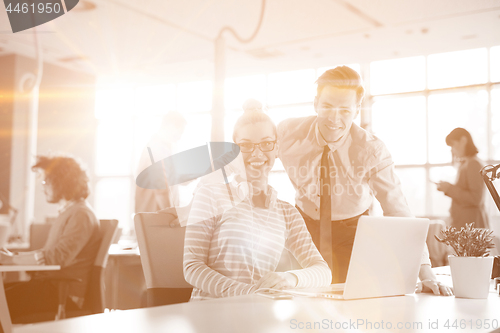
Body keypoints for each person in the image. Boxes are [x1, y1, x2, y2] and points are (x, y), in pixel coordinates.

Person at [277, 66, 452, 296]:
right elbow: (251, 156)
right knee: (299, 306)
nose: (334, 118)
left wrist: (426, 273)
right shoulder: (288, 133)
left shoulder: (372, 150)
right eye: (327, 106)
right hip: (303, 231)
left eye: (345, 110)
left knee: (354, 307)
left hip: (353, 236)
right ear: (316, 103)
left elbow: (398, 210)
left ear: (357, 109)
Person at [183, 100, 332, 300]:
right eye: (245, 145)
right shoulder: (210, 194)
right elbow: (192, 267)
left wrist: (290, 278)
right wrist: (248, 293)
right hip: (211, 314)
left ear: (276, 148)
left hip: (257, 315)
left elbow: (323, 272)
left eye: (266, 143)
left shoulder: (286, 212)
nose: (257, 153)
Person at [0, 154, 101, 322]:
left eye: (46, 181)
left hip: (63, 294)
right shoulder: (70, 212)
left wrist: (11, 260)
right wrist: (12, 258)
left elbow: (57, 258)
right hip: (52, 288)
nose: (43, 187)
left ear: (62, 182)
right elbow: (51, 256)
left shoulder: (81, 214)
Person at [436, 128, 489, 229]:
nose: (452, 150)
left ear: (463, 141)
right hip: (466, 226)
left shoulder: (473, 164)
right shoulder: (467, 164)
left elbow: (476, 198)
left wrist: (449, 188)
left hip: (472, 227)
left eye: (453, 145)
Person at [135, 111, 187, 213]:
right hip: (156, 215)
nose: (179, 138)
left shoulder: (164, 149)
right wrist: (171, 214)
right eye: (180, 132)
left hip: (158, 215)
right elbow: (161, 188)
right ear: (170, 126)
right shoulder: (156, 149)